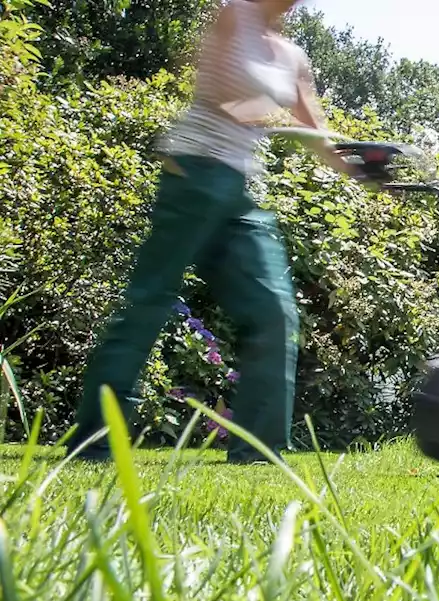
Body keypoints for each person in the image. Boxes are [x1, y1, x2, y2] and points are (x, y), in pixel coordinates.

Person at [67, 0, 369, 464]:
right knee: (149, 300)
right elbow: (217, 90)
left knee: (274, 313)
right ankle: (95, 439)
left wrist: (360, 170)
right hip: (194, 172)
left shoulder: (293, 56)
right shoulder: (235, 15)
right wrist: (267, 115)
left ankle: (258, 451)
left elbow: (316, 130)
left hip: (242, 190)